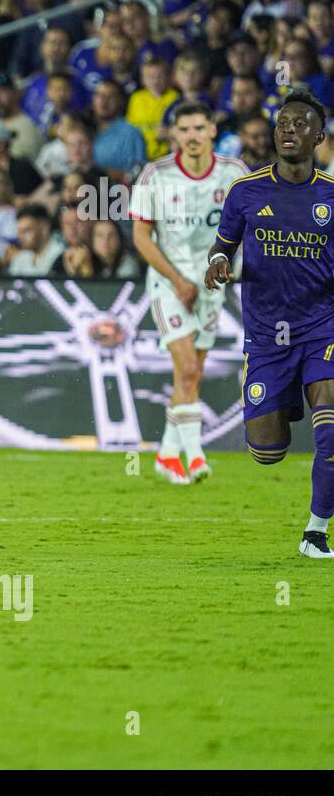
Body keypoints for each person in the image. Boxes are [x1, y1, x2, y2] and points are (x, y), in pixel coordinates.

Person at [205, 90, 334, 559]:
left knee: (332, 432)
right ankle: (285, 401)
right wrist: (218, 262)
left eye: (300, 124)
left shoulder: (330, 198)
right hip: (266, 338)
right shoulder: (246, 191)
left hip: (323, 330)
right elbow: (222, 246)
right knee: (266, 452)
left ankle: (315, 532)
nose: (288, 130)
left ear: (319, 137)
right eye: (283, 123)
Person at [132, 100, 251, 485]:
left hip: (212, 286)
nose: (193, 137)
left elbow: (250, 227)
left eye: (200, 128)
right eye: (184, 130)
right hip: (169, 283)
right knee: (185, 368)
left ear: (213, 130)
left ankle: (167, 455)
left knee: (192, 374)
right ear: (174, 135)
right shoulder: (156, 174)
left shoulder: (235, 174)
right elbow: (141, 237)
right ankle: (196, 457)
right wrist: (178, 280)